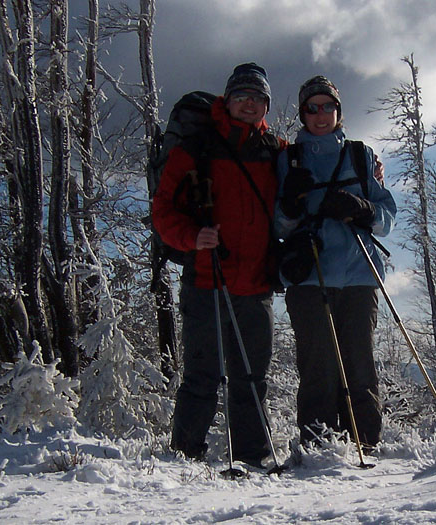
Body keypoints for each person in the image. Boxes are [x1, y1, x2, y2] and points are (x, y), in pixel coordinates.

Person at [152, 63, 284, 467]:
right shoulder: (198, 146)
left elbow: (306, 185)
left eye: (257, 98)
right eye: (241, 96)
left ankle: (253, 455)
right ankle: (184, 457)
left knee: (252, 377)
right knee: (202, 375)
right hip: (207, 279)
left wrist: (371, 172)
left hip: (256, 282)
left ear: (265, 105)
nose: (248, 104)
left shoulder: (276, 152)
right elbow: (163, 210)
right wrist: (192, 238)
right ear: (227, 101)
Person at [275, 76, 396, 450]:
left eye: (328, 106)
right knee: (318, 368)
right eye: (312, 108)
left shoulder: (360, 155)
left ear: (339, 112)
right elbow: (277, 224)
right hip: (309, 277)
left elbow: (387, 216)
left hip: (360, 275)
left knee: (360, 365)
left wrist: (362, 209)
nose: (321, 114)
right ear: (303, 113)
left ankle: (366, 446)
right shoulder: (287, 159)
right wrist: (291, 207)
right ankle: (318, 450)